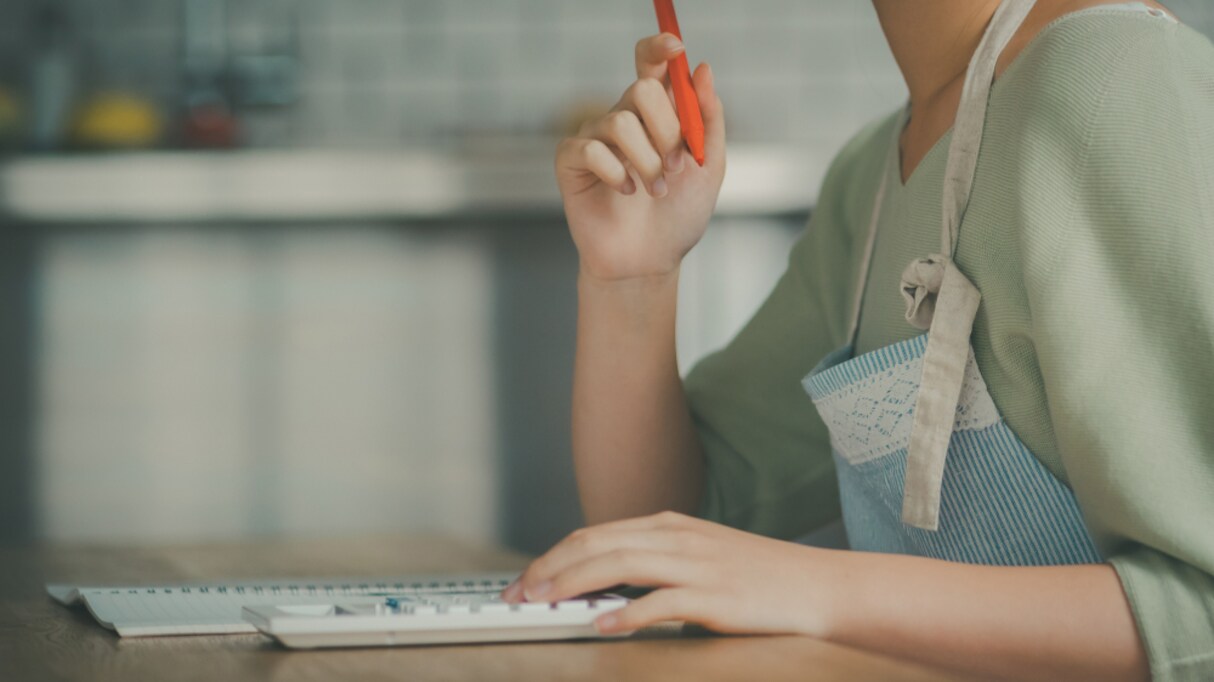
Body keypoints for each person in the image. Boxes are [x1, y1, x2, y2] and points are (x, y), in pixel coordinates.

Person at [501, 1, 1214, 680]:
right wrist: (631, 279)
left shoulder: (1119, 81)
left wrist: (819, 589)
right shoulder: (871, 179)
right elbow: (662, 535)